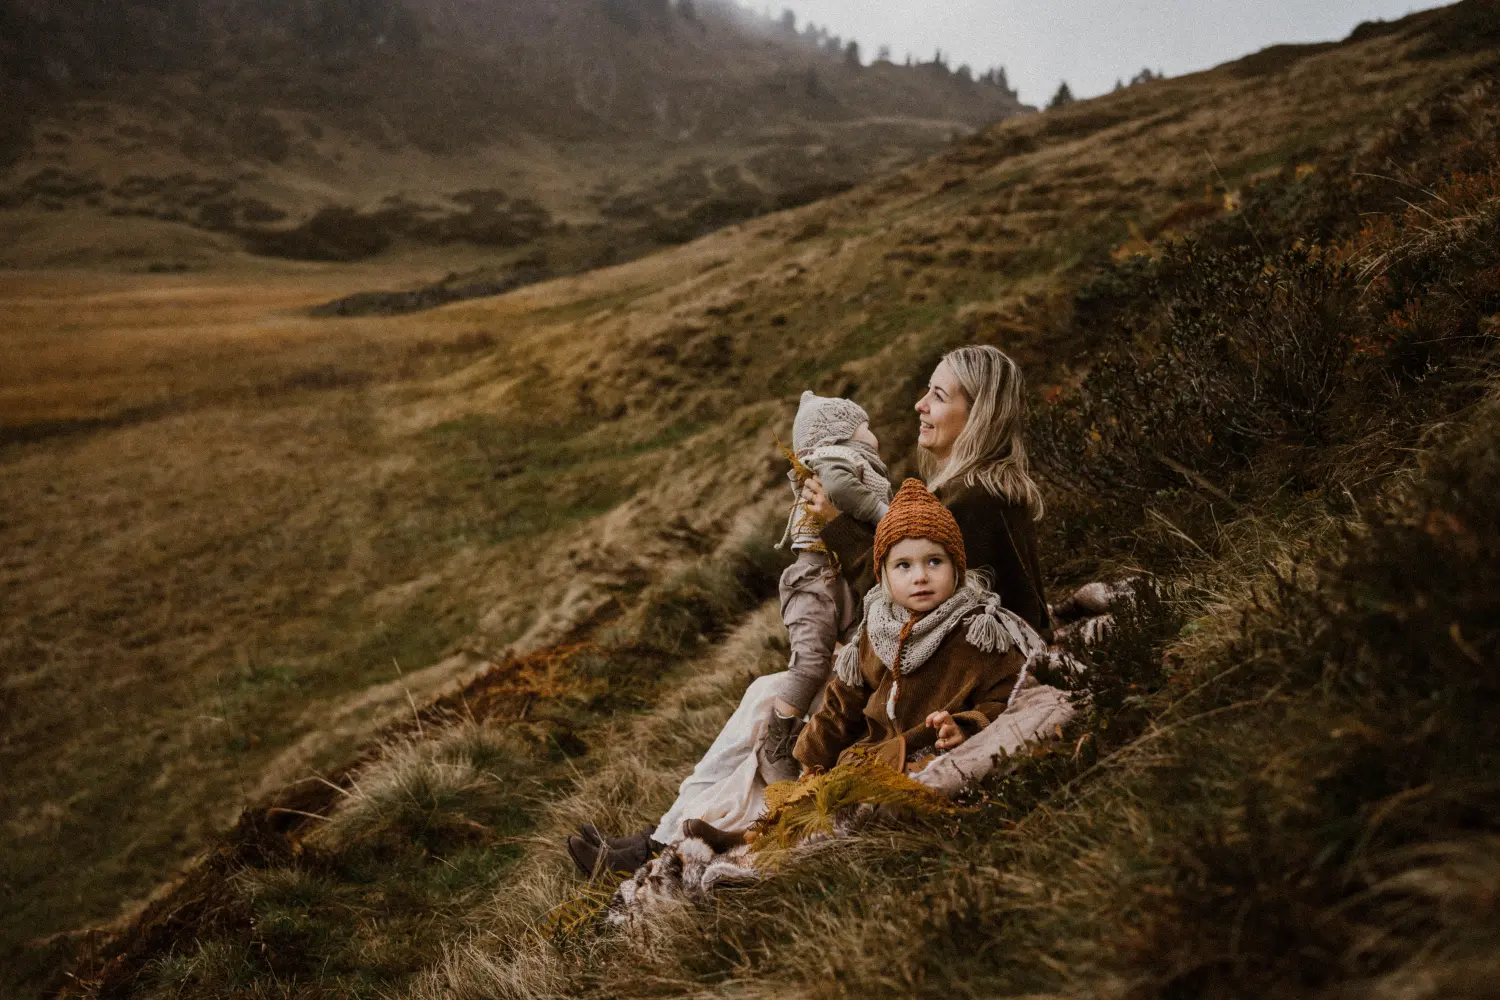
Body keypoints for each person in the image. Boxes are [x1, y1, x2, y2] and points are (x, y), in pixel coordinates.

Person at [566, 391, 892, 877]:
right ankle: (660, 840)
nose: (877, 432)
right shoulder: (849, 473)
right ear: (842, 435)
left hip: (870, 669)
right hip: (857, 648)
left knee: (767, 712)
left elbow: (880, 561)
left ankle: (659, 845)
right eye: (863, 426)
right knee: (764, 709)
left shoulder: (862, 497)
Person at [794, 478, 1039, 775]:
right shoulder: (876, 629)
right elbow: (842, 703)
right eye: (904, 566)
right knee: (826, 792)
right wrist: (812, 755)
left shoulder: (975, 630)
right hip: (876, 755)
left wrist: (965, 726)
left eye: (934, 562)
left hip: (930, 751)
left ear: (957, 568)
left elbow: (1008, 693)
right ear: (884, 574)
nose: (920, 576)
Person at [807, 344, 1051, 638]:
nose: (920, 405)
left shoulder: (976, 501)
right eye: (928, 390)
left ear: (978, 415)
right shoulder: (979, 490)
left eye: (939, 396)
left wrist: (840, 527)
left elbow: (914, 615)